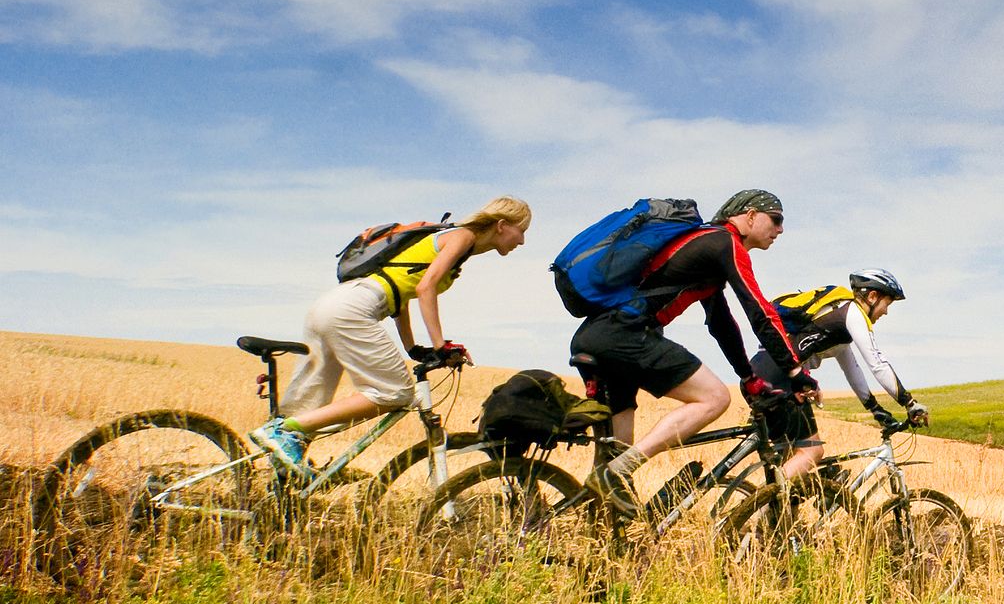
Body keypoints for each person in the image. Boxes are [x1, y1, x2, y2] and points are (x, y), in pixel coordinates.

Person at [251, 197, 533, 470]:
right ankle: (285, 431)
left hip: (333, 305)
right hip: (352, 309)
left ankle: (282, 475)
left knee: (309, 401)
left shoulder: (457, 243)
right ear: (501, 224)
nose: (522, 241)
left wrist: (413, 348)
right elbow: (426, 289)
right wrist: (441, 345)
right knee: (394, 393)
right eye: (521, 230)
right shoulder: (462, 238)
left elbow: (402, 296)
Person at [567, 187, 812, 497]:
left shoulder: (704, 245)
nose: (780, 229)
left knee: (616, 453)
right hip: (625, 334)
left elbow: (722, 323)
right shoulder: (725, 242)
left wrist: (748, 377)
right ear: (750, 216)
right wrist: (794, 372)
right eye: (775, 220)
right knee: (714, 399)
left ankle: (602, 516)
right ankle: (618, 472)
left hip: (599, 335)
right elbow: (760, 312)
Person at [756, 268, 929, 481]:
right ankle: (762, 503)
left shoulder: (837, 317)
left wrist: (874, 408)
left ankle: (776, 511)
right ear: (873, 296)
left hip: (766, 370)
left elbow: (851, 368)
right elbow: (877, 364)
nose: (886, 312)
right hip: (781, 377)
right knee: (812, 452)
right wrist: (910, 403)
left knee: (792, 457)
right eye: (887, 304)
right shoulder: (853, 314)